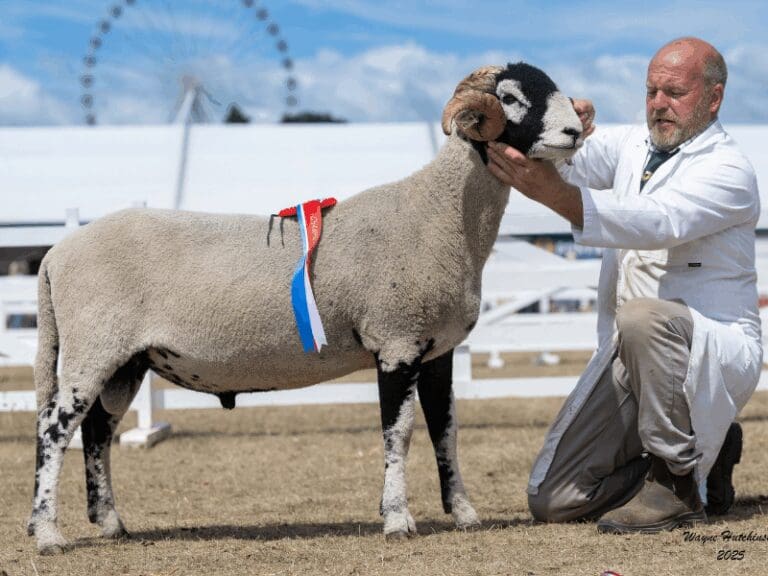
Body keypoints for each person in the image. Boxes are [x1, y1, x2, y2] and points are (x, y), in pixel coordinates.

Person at [486, 37, 761, 533]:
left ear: (713, 97)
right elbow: (570, 160)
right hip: (630, 352)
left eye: (674, 92)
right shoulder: (634, 144)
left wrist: (555, 196)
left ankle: (677, 486)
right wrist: (564, 123)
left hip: (708, 348)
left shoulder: (730, 170)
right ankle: (705, 460)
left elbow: (657, 221)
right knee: (555, 499)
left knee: (643, 315)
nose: (658, 103)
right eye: (651, 91)